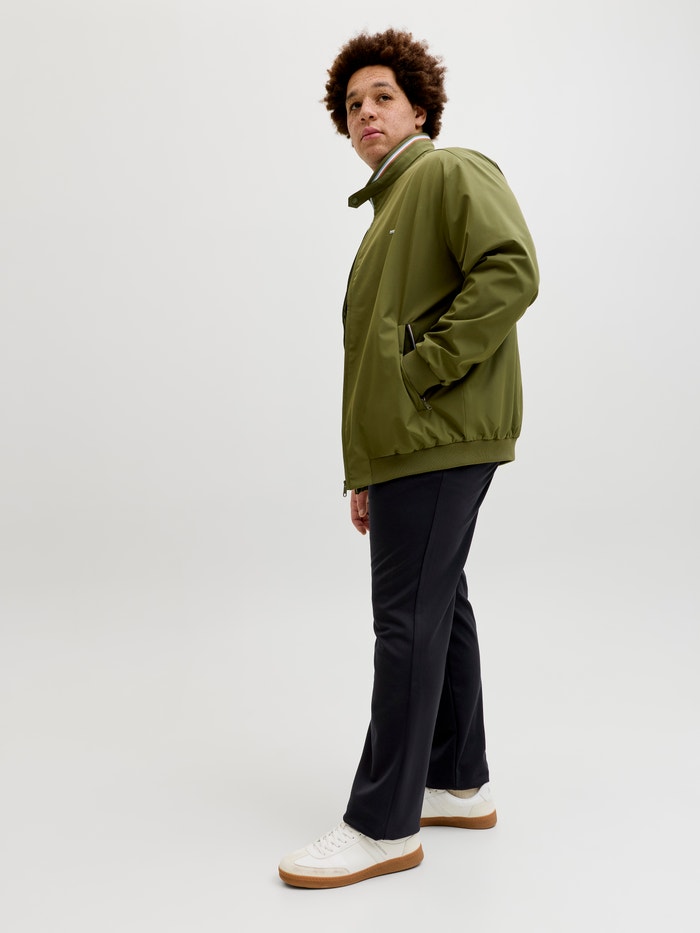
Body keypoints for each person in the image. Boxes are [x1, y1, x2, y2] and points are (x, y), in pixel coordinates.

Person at [278, 28, 539, 889]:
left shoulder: (447, 171)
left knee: (406, 622)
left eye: (382, 96)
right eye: (353, 104)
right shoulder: (388, 209)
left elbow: (510, 270)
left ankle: (382, 824)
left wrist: (425, 372)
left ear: (420, 107)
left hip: (438, 434)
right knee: (438, 602)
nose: (365, 113)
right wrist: (364, 467)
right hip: (408, 446)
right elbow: (370, 359)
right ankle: (458, 782)